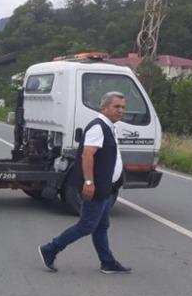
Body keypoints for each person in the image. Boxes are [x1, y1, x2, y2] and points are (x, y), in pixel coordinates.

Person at [38, 91, 131, 274]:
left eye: (123, 107)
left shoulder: (109, 127)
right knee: (86, 226)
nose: (121, 110)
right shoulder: (98, 127)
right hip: (95, 186)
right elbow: (87, 154)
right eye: (116, 106)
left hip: (105, 186)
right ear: (104, 108)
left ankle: (107, 262)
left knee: (101, 226)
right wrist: (89, 182)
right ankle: (50, 249)